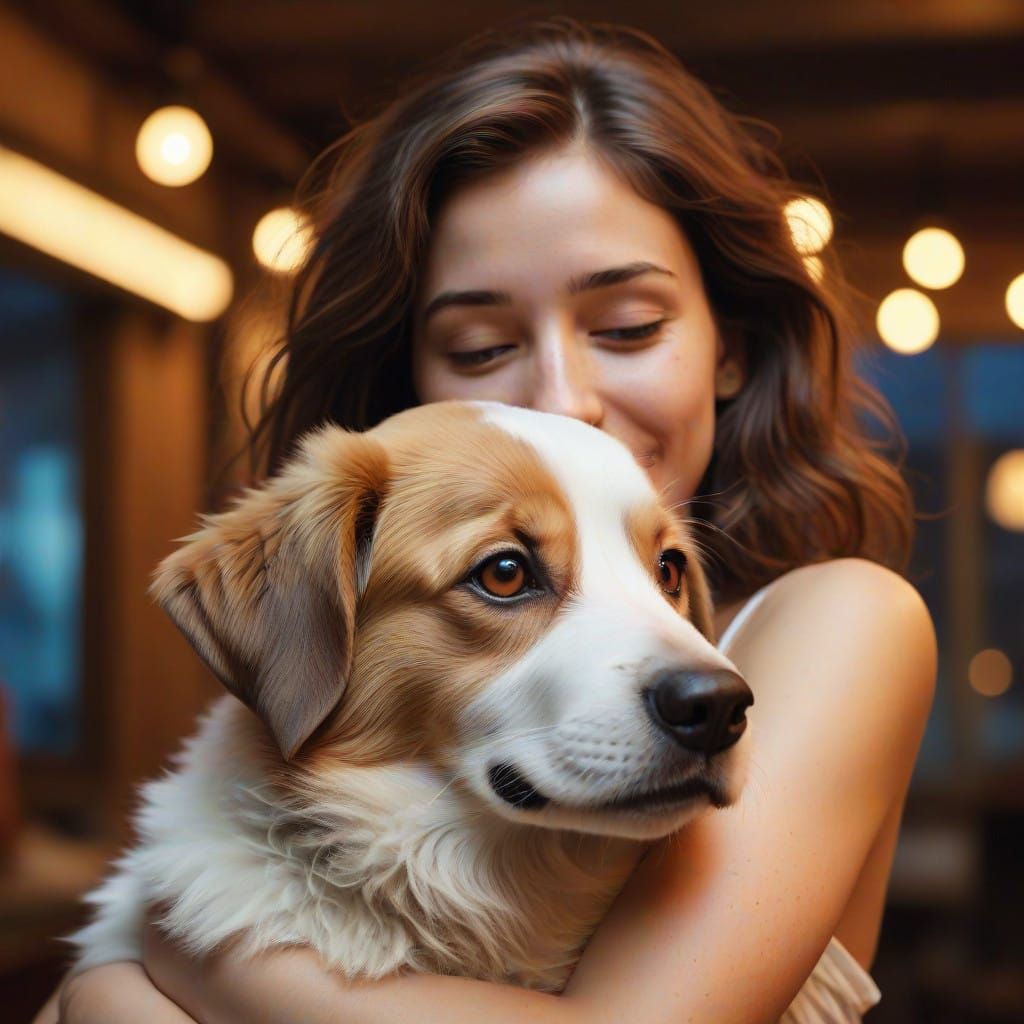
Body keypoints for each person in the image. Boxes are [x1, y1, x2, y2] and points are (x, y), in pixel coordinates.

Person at [40, 16, 936, 1024]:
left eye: (629, 327)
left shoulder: (840, 621)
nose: (561, 399)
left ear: (728, 345)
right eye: (477, 346)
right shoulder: (365, 566)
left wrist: (176, 964)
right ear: (408, 374)